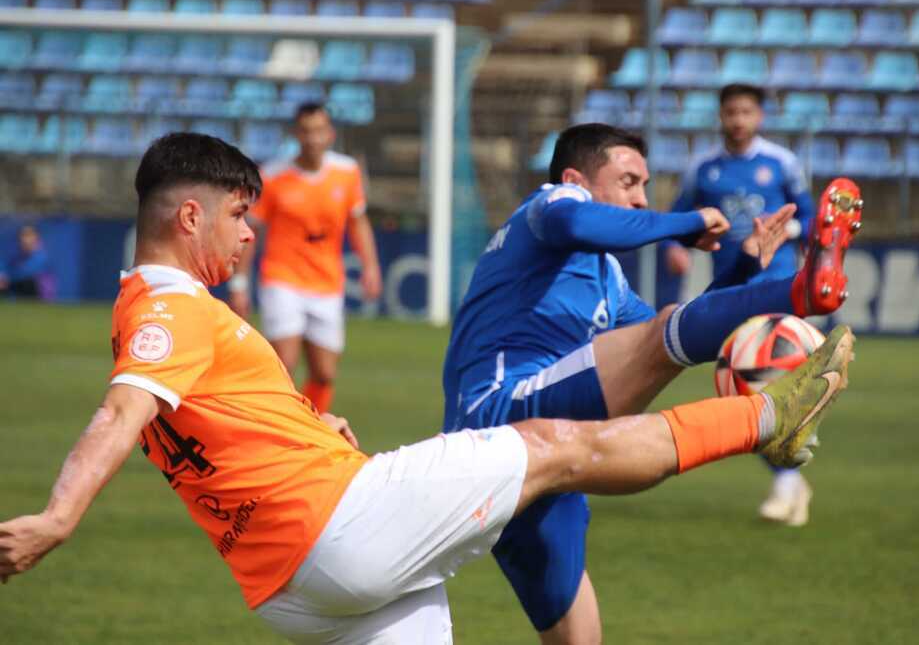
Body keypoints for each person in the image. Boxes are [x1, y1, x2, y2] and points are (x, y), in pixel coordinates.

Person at [0, 132, 857, 644]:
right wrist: (58, 517)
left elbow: (208, 426)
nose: (251, 233)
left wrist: (311, 423)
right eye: (239, 214)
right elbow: (123, 411)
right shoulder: (170, 307)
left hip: (289, 587)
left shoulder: (147, 310)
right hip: (342, 522)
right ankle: (766, 416)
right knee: (562, 444)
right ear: (190, 216)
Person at [442, 123, 862, 644]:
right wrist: (682, 224)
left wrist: (745, 264)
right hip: (500, 413)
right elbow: (582, 229)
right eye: (628, 182)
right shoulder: (548, 205)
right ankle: (804, 293)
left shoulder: (607, 279)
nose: (641, 200)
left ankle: (796, 291)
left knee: (579, 641)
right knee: (662, 334)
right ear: (576, 178)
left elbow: (675, 335)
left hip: (547, 463)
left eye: (645, 186)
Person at [663, 83, 821, 527]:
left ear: (760, 117)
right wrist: (677, 246)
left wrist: (782, 233)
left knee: (758, 389)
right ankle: (789, 480)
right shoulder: (704, 167)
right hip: (729, 293)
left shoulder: (781, 163)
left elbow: (809, 218)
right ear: (720, 116)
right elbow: (681, 214)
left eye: (746, 112)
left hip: (775, 290)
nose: (738, 120)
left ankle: (787, 481)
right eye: (731, 112)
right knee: (743, 392)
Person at [230, 103, 382, 414]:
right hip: (282, 278)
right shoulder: (273, 176)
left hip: (327, 282)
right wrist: (240, 283)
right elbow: (250, 231)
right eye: (306, 131)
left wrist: (370, 266)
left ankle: (308, 426)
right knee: (283, 366)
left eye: (319, 131)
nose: (312, 138)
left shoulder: (346, 172)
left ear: (330, 134)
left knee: (324, 374)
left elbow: (358, 221)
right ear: (296, 134)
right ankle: (278, 430)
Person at [0, 225, 54, 299]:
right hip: (18, 289)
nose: (25, 239)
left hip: (40, 295)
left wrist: (7, 279)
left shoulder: (43, 256)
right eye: (23, 235)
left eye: (28, 235)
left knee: (28, 283)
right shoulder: (16, 255)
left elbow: (26, 272)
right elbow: (5, 267)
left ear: (36, 238)